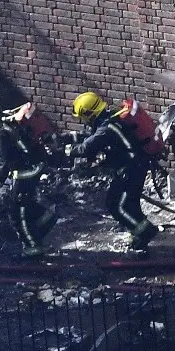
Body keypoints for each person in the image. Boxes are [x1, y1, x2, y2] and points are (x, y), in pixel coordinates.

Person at [0, 92, 57, 258]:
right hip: (31, 165)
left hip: (25, 170)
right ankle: (45, 219)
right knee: (21, 203)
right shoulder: (3, 119)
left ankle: (33, 250)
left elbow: (2, 164)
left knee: (16, 211)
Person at [63, 92, 159, 250]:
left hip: (131, 168)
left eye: (83, 117)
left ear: (89, 113)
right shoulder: (108, 120)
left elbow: (87, 147)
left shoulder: (106, 128)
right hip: (134, 166)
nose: (82, 121)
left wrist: (66, 150)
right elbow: (89, 137)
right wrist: (66, 138)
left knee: (115, 205)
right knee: (131, 204)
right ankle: (140, 231)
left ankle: (145, 232)